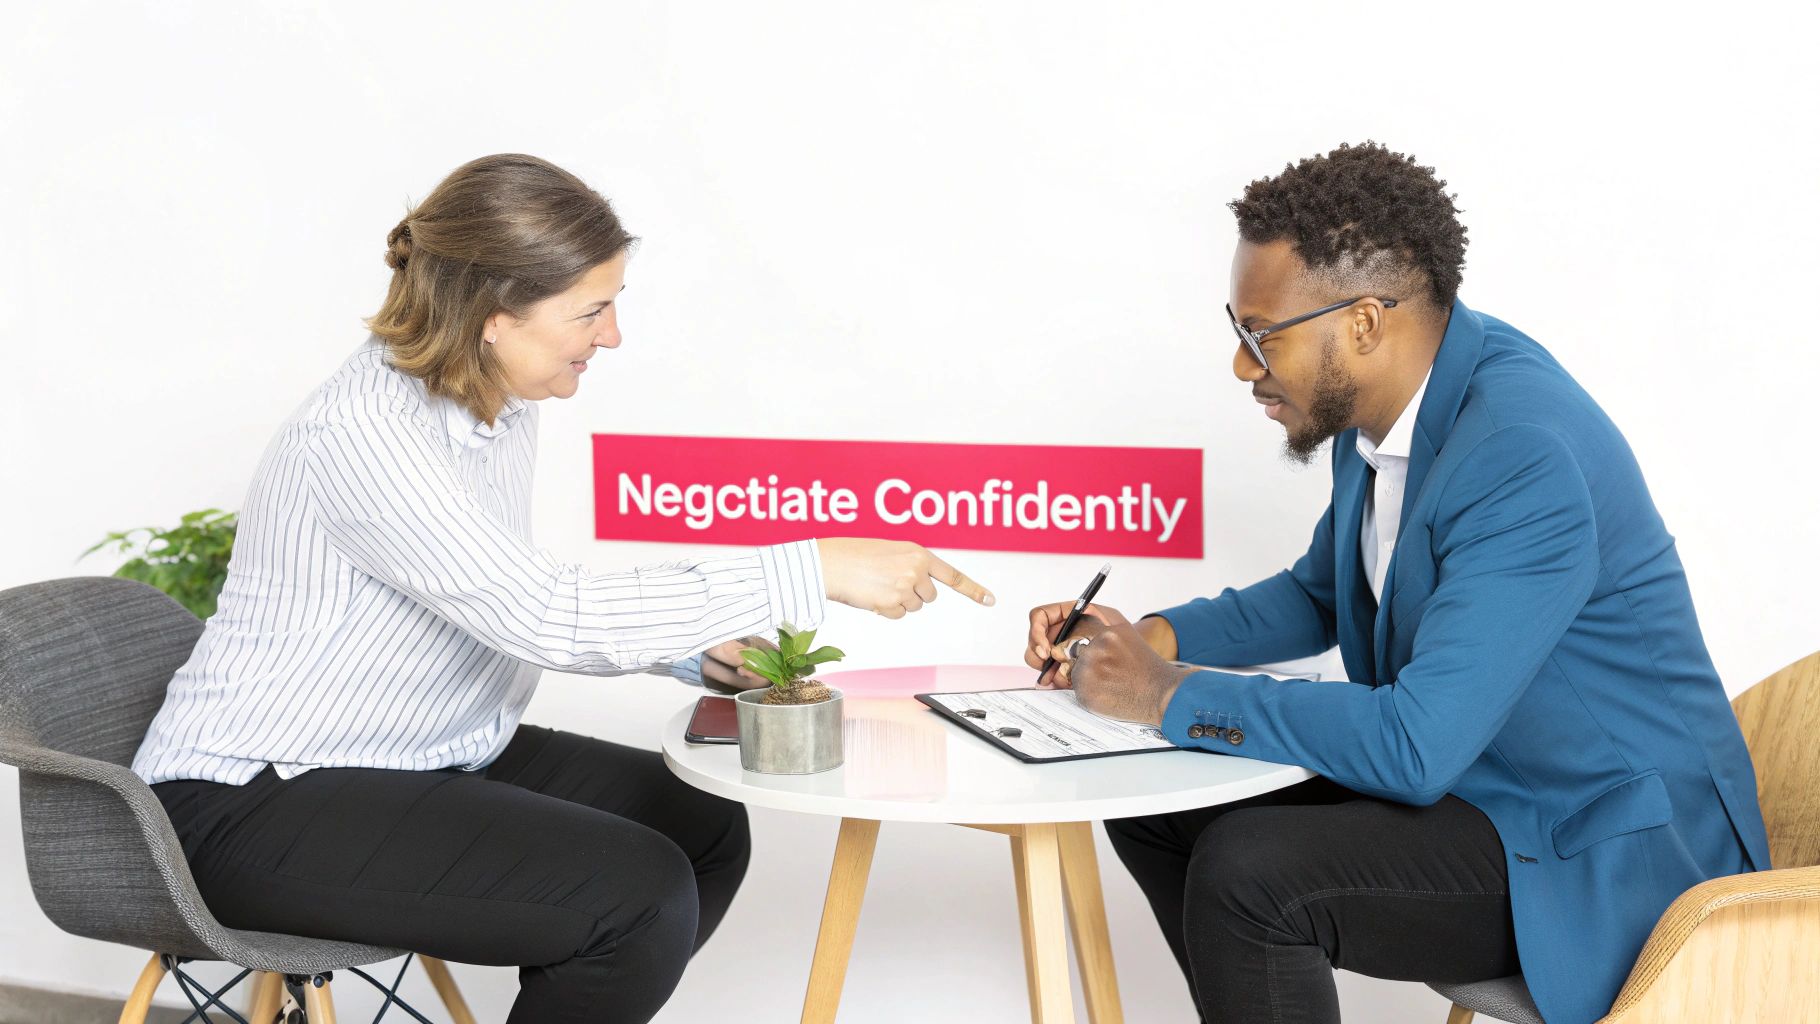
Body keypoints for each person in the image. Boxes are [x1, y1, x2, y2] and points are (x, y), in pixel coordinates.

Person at [132, 153, 994, 1024]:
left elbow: (497, 596)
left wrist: (702, 653)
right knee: (634, 896)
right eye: (592, 310)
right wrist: (808, 568)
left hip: (426, 747)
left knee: (700, 824)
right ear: (494, 316)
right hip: (255, 797)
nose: (612, 335)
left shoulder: (496, 397)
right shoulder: (363, 439)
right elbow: (547, 614)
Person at [1023, 142, 1768, 1024]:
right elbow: (1321, 594)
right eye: (1238, 329)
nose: (1241, 365)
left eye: (1260, 336)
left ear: (1365, 323)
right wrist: (1156, 641)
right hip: (1485, 779)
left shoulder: (1521, 451)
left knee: (1251, 874)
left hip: (1602, 850)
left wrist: (1167, 693)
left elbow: (1415, 748)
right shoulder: (1384, 414)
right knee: (1150, 800)